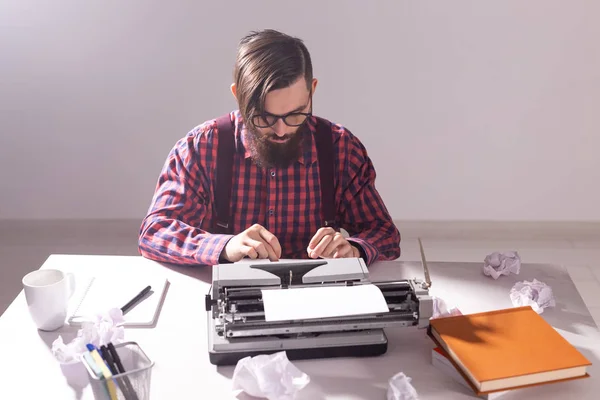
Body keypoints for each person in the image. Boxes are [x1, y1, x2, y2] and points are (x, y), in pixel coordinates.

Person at [138, 29, 400, 267]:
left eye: (296, 114)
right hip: (230, 293)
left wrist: (354, 249)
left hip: (318, 296)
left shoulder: (340, 149)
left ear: (312, 91)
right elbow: (155, 232)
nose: (281, 130)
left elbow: (384, 234)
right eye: (264, 117)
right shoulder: (201, 148)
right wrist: (224, 246)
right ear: (237, 95)